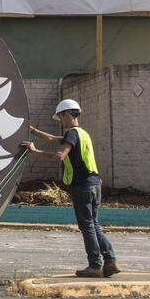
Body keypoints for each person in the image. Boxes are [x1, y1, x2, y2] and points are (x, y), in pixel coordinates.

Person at [22, 99, 119, 278]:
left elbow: (59, 156)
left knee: (87, 226)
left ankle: (95, 265)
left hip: (82, 186)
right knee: (94, 224)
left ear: (66, 114)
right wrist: (33, 131)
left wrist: (34, 151)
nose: (60, 121)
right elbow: (53, 139)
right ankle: (110, 261)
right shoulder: (82, 134)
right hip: (95, 184)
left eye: (60, 118)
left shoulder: (72, 134)